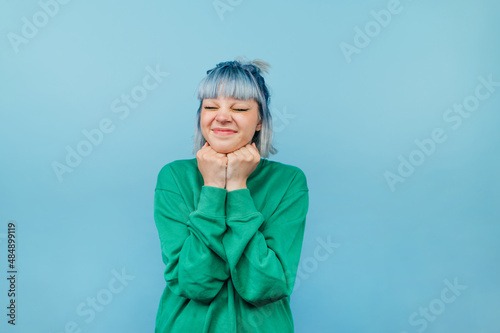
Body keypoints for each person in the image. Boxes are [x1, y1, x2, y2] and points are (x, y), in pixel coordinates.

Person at [153, 57, 309, 332]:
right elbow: (195, 283)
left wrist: (237, 186)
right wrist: (212, 187)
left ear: (260, 120)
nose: (221, 116)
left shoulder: (289, 182)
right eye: (210, 106)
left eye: (239, 108)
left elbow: (265, 285)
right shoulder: (175, 178)